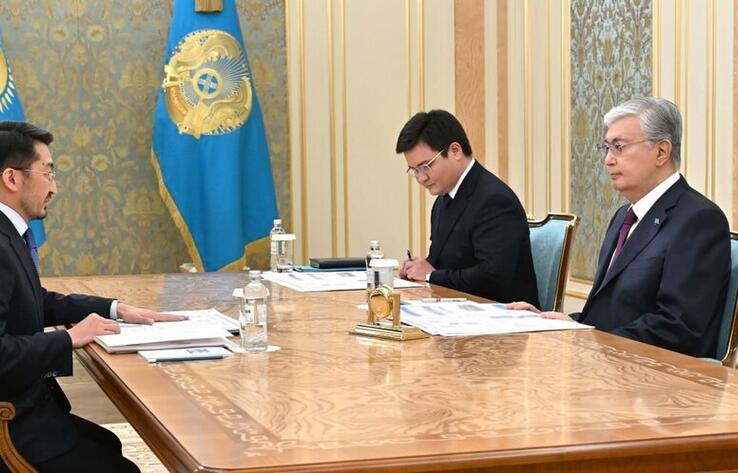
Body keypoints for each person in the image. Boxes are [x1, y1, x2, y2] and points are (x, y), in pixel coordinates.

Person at [0, 121, 186, 472]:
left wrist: (114, 309)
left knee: (107, 444)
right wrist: (70, 338)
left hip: (29, 405)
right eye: (47, 173)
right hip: (11, 422)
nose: (54, 188)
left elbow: (33, 301)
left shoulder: (8, 233)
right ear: (11, 178)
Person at [509, 98, 730, 358]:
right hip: (606, 359)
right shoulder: (623, 215)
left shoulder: (699, 219)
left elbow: (679, 328)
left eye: (619, 147)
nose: (608, 160)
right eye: (606, 148)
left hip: (653, 373)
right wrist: (557, 323)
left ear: (661, 152)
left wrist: (587, 337)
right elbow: (607, 314)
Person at [397, 109, 539, 305]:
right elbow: (444, 264)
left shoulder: (494, 200)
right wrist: (418, 267)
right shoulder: (443, 199)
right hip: (458, 309)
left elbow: (493, 276)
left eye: (426, 166)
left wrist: (431, 275)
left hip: (503, 314)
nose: (421, 178)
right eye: (414, 170)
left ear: (455, 151)